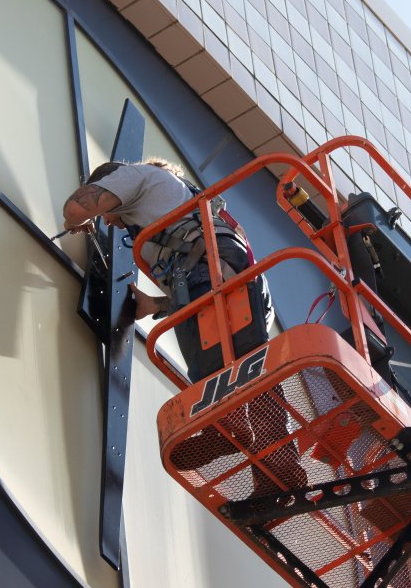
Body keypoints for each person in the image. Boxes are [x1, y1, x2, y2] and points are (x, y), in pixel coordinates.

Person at [61, 158, 304, 498]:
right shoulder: (165, 202)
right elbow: (188, 282)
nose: (108, 224)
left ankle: (234, 431)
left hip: (213, 274)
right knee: (251, 373)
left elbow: (76, 208)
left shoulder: (133, 177)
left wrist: (76, 217)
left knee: (224, 369)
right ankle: (276, 473)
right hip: (227, 279)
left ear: (112, 182)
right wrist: (156, 305)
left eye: (106, 216)